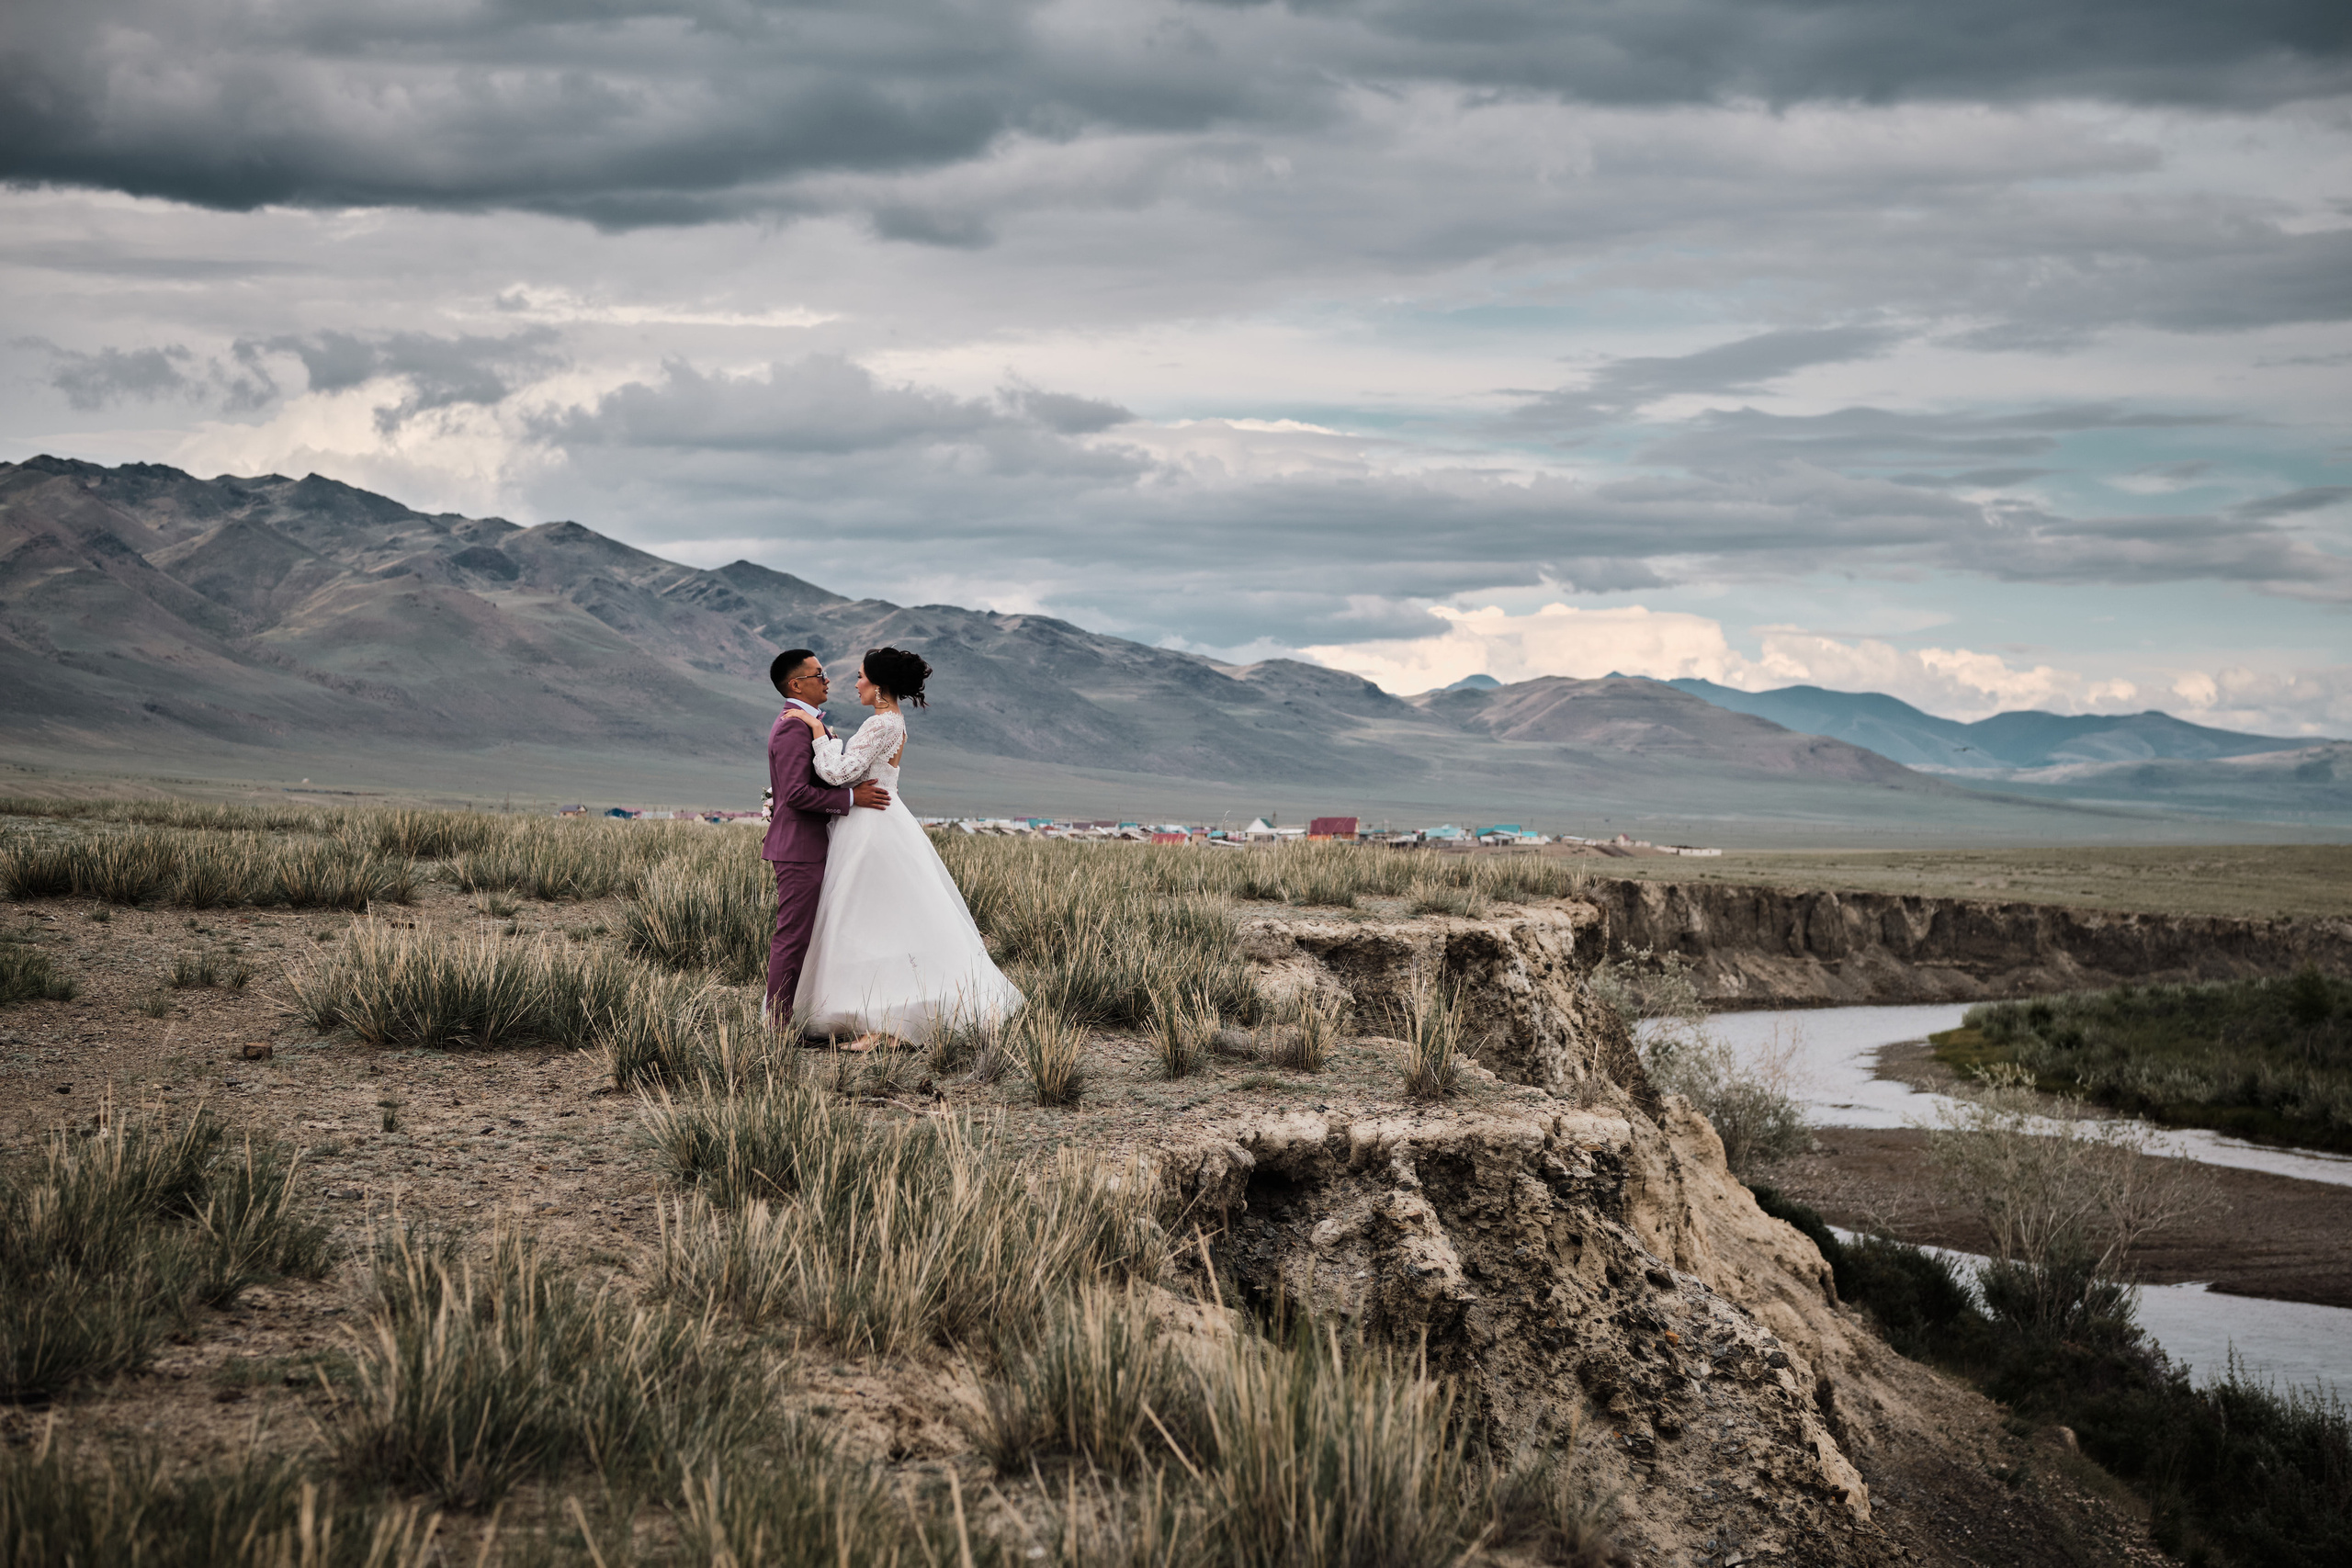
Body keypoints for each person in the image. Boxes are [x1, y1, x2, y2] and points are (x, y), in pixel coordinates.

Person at [786, 645, 1023, 1046]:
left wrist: (817, 735)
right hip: (879, 819)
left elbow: (838, 773)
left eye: (861, 676)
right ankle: (880, 1011)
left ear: (878, 686)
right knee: (885, 917)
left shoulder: (879, 724)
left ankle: (880, 1016)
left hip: (870, 825)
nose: (855, 682)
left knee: (865, 917)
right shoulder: (891, 722)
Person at [761, 649, 890, 1026]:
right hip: (800, 849)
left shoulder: (807, 723)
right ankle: (777, 1025)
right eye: (819, 674)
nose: (828, 679)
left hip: (814, 846)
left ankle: (802, 1014)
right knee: (794, 936)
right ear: (796, 683)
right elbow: (796, 793)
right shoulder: (791, 726)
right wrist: (852, 797)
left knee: (812, 936)